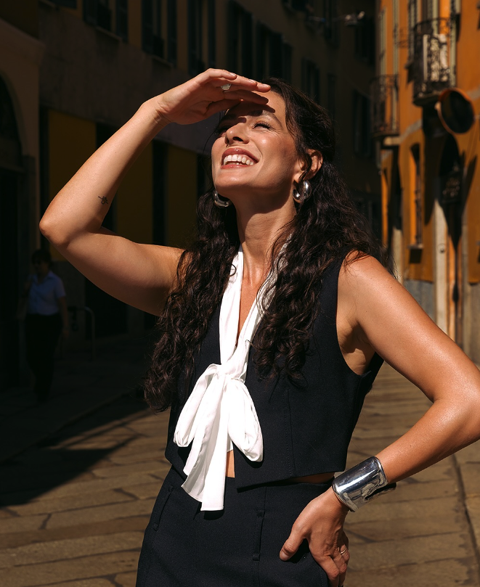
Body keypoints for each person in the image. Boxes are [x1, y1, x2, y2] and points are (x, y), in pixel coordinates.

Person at [39, 69, 480, 587]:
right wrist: (155, 112)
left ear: (305, 163)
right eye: (226, 125)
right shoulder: (193, 276)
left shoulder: (350, 278)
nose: (235, 133)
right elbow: (64, 228)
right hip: (173, 535)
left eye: (261, 124)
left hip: (283, 544)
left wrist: (347, 494)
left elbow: (468, 400)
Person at [21, 248, 69, 403]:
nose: (36, 265)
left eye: (39, 262)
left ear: (47, 263)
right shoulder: (31, 279)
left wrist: (65, 326)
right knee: (31, 356)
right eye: (34, 263)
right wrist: (25, 290)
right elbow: (24, 300)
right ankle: (41, 382)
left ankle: (43, 390)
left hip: (49, 322)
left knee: (46, 356)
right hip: (33, 321)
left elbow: (62, 304)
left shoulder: (55, 281)